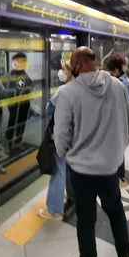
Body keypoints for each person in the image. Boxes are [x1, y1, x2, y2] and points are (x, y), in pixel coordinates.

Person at [55, 47, 129, 257]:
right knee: (116, 212)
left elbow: (60, 133)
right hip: (109, 168)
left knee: (86, 220)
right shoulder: (117, 86)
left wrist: (66, 155)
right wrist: (117, 152)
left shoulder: (69, 92)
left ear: (78, 65)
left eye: (71, 63)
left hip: (81, 172)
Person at [38, 59, 76, 220]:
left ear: (70, 72)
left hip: (61, 136)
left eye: (64, 69)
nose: (61, 72)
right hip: (76, 136)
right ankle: (72, 198)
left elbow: (49, 109)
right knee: (69, 168)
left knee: (59, 170)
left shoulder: (64, 89)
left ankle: (54, 209)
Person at [106, 53, 129, 188]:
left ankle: (120, 176)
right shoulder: (125, 82)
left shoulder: (123, 85)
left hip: (118, 121)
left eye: (110, 72)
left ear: (116, 71)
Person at [3, 53, 33, 149]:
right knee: (12, 122)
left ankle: (18, 141)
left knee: (21, 122)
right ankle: (8, 142)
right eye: (15, 62)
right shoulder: (8, 76)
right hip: (13, 104)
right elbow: (6, 90)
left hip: (24, 104)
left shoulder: (27, 76)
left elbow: (29, 90)